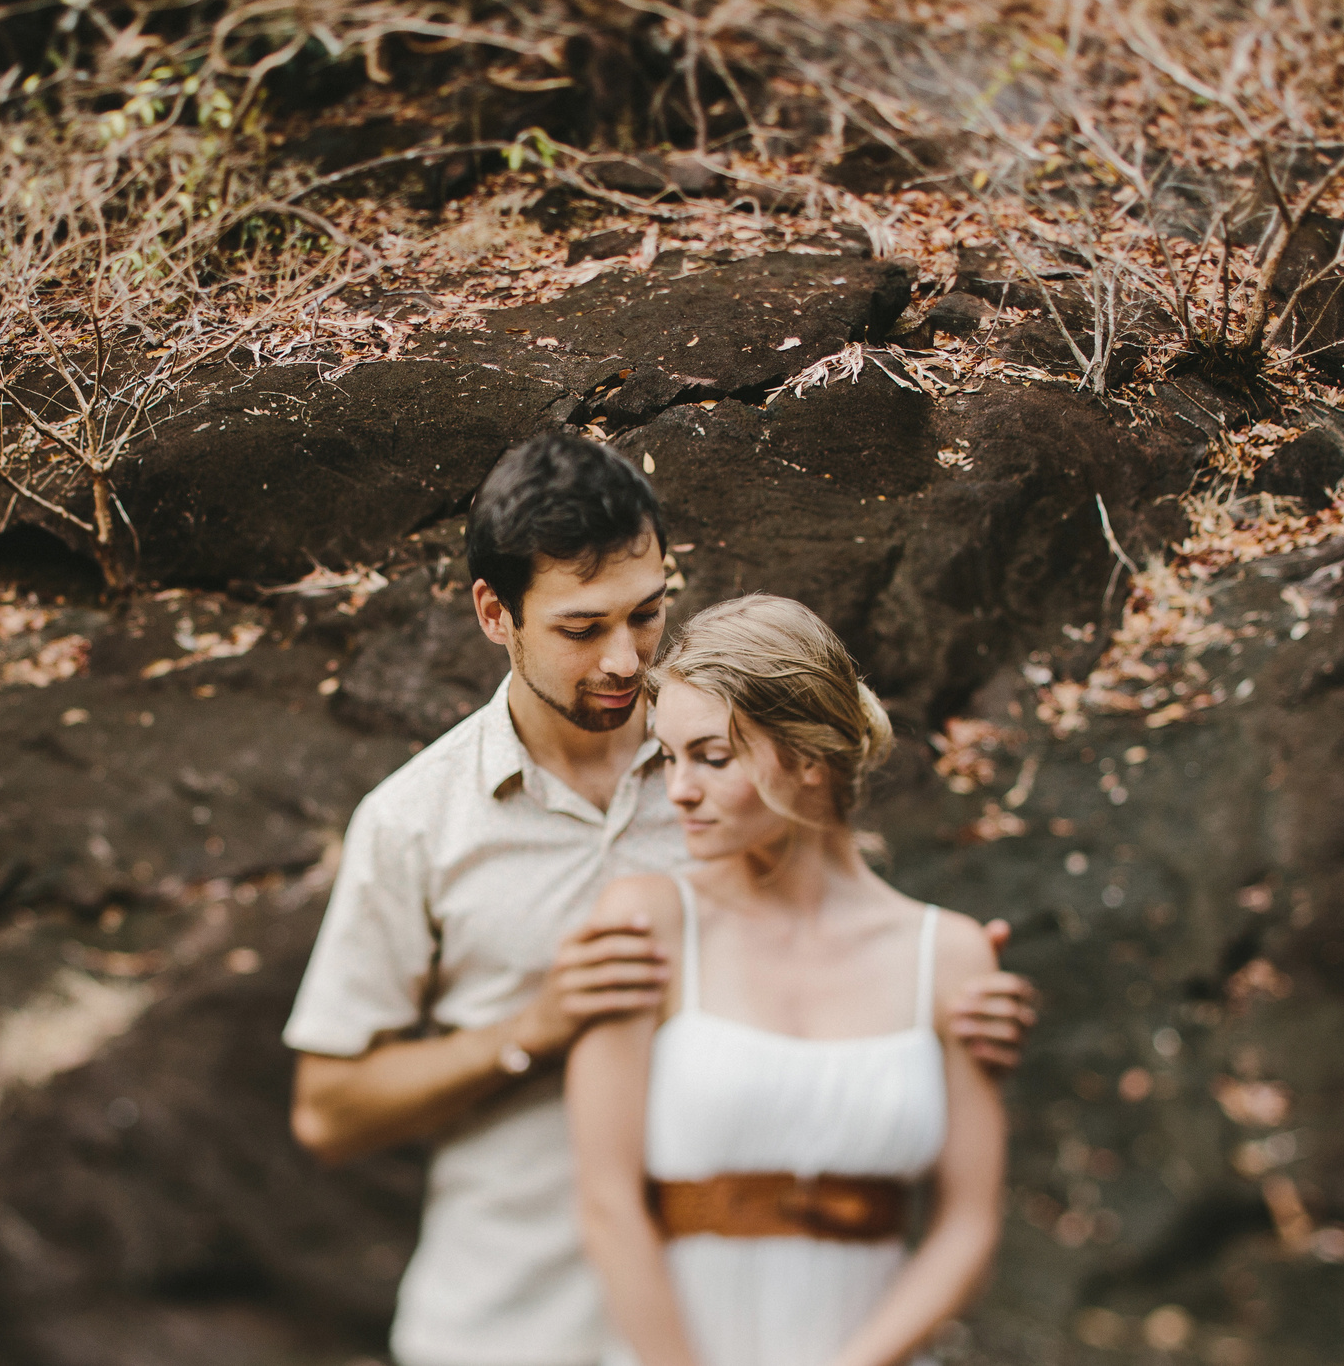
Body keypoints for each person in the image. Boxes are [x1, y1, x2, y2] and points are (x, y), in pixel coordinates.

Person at [284, 433, 1033, 1366]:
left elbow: (829, 932)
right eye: (581, 627)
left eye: (647, 614)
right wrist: (535, 1027)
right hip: (513, 1322)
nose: (626, 659)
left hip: (745, 1315)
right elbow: (328, 1110)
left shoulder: (734, 770)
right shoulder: (412, 824)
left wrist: (946, 1003)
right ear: (494, 613)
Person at [566, 595, 1005, 1366]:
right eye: (668, 757)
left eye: (712, 756)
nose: (679, 791)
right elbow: (606, 1203)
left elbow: (968, 1223)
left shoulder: (952, 956)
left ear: (808, 756)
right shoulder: (649, 922)